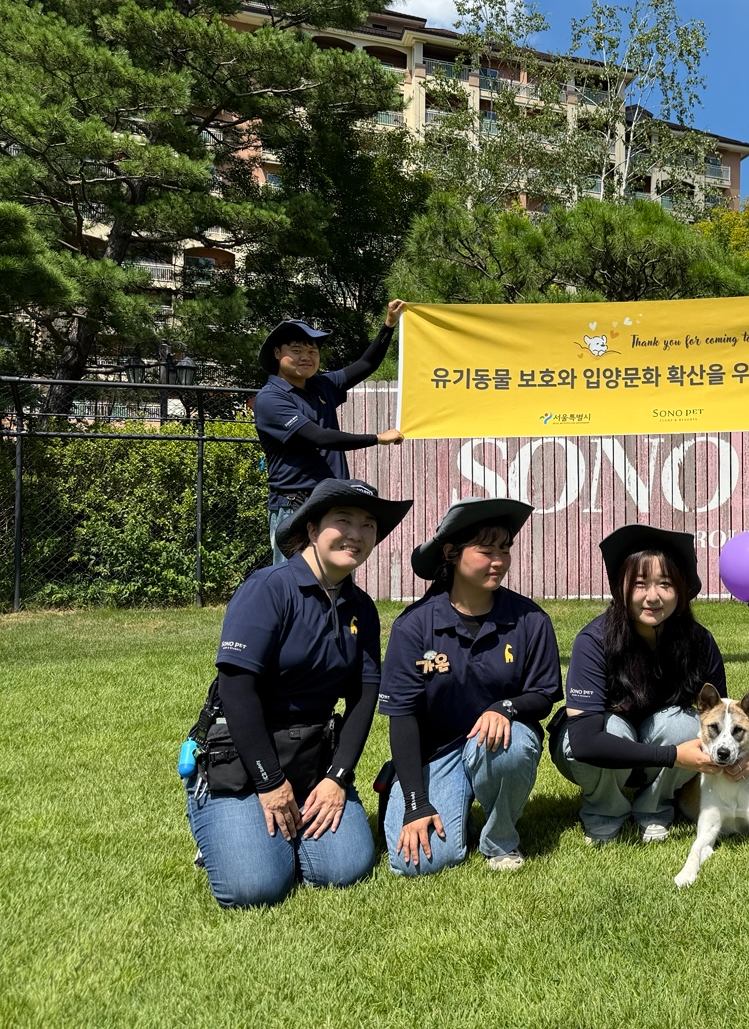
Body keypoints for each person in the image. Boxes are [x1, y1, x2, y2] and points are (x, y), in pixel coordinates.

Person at [183, 478, 413, 908]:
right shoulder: (268, 588)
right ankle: (219, 824)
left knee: (344, 869)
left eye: (368, 525)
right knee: (254, 888)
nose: (357, 534)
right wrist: (270, 783)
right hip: (244, 755)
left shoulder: (362, 608)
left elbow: (365, 695)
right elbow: (236, 690)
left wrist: (337, 777)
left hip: (312, 758)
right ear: (311, 529)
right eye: (343, 520)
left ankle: (269, 837)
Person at [379, 498, 561, 876]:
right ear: (451, 553)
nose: (499, 561)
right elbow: (402, 716)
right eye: (486, 551)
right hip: (435, 753)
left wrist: (505, 708)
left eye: (505, 550)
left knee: (513, 745)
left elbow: (543, 695)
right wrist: (415, 802)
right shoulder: (413, 626)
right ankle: (433, 798)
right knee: (417, 863)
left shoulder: (531, 619)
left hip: (496, 742)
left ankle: (500, 839)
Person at [549, 525, 749, 845]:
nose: (653, 596)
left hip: (658, 747)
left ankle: (655, 806)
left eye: (666, 584)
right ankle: (604, 810)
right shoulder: (594, 640)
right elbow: (585, 742)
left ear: (682, 590)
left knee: (684, 724)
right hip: (603, 752)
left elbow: (726, 717)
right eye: (640, 584)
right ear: (621, 588)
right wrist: (673, 756)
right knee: (610, 728)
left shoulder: (699, 642)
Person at [254, 300, 408, 564]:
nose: (306, 356)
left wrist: (388, 325)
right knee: (293, 581)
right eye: (297, 350)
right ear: (278, 353)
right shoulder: (271, 398)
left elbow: (366, 364)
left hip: (332, 503)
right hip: (295, 506)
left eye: (312, 351)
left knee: (336, 578)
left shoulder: (321, 385)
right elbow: (318, 436)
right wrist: (376, 438)